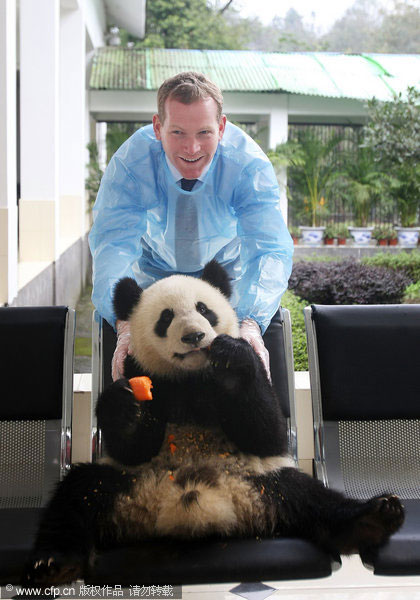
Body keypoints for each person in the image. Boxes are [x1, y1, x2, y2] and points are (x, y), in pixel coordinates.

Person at [89, 71, 293, 381]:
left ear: (221, 128)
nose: (192, 148)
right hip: (153, 291)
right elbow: (112, 246)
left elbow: (269, 248)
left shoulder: (247, 164)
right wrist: (126, 323)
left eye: (204, 133)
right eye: (178, 133)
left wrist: (250, 322)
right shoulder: (131, 164)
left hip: (223, 289)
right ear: (158, 127)